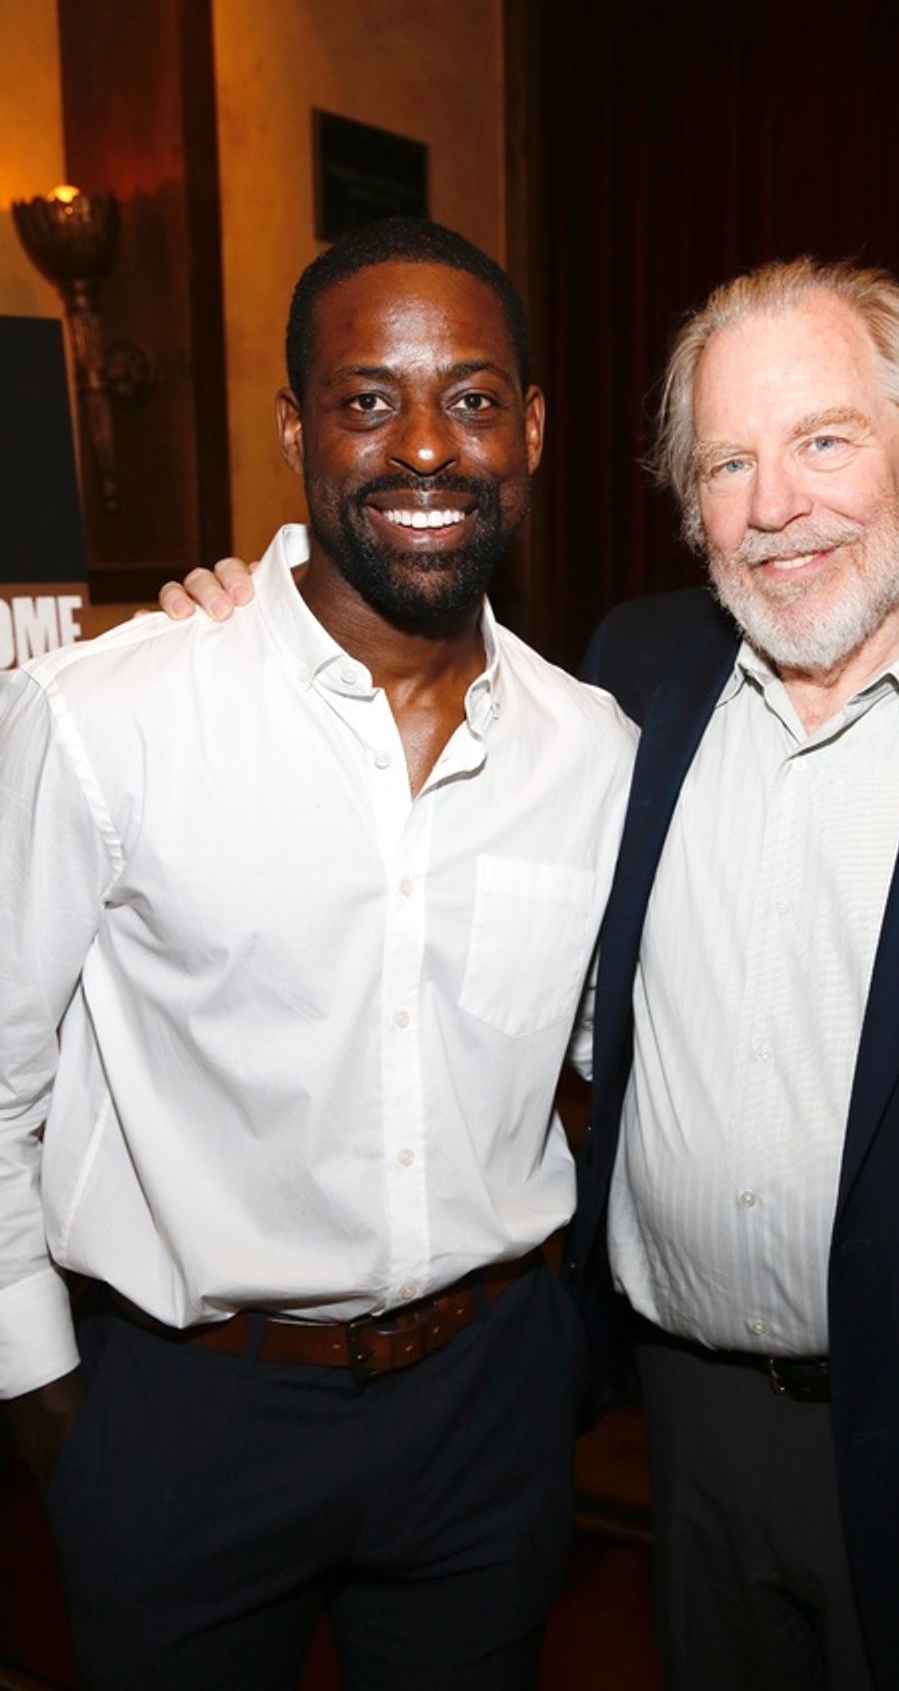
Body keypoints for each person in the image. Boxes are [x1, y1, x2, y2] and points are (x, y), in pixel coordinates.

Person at [160, 256, 899, 1691]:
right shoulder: (630, 681)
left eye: (824, 441)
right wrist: (244, 617)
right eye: (727, 460)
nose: (776, 505)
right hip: (679, 1440)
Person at [0, 216, 636, 1691]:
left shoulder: (591, 751)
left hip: (489, 1406)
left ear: (531, 429)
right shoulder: (110, 717)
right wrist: (44, 1395)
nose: (426, 446)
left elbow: (623, 1053)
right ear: (296, 428)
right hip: (188, 1417)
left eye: (474, 398)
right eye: (368, 400)